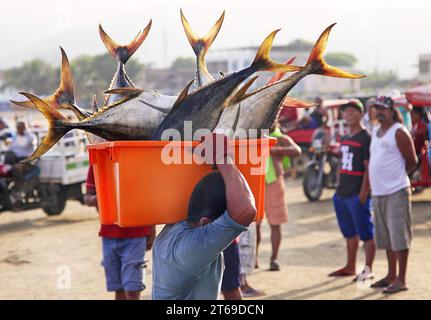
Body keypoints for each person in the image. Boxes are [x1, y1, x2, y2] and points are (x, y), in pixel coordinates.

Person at [152, 133, 256, 300]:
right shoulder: (191, 249)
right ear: (205, 222)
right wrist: (222, 158)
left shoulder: (177, 227)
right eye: (223, 220)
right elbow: (246, 211)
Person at [369, 95, 418, 294]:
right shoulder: (375, 131)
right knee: (386, 238)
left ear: (392, 111)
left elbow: (412, 161)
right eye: (377, 108)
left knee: (399, 237)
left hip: (396, 191)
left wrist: (399, 179)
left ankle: (401, 279)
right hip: (378, 192)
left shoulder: (399, 132)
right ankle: (391, 275)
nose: (380, 112)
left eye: (384, 109)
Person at [84, 164, 155, 300]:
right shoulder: (98, 163)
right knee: (119, 289)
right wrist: (103, 196)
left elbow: (150, 198)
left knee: (132, 289)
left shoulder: (138, 162)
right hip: (109, 236)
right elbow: (87, 198)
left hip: (136, 234)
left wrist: (151, 231)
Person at [329, 99, 376, 280]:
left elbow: (368, 167)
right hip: (342, 193)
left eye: (352, 112)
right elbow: (342, 162)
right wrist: (338, 186)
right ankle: (350, 266)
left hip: (357, 194)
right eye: (346, 112)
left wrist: (364, 192)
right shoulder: (346, 137)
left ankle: (368, 269)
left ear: (360, 114)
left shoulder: (366, 137)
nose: (348, 115)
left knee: (366, 233)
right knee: (349, 233)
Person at [256, 122, 301, 271]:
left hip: (274, 181)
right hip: (256, 182)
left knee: (275, 223)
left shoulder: (279, 137)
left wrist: (277, 149)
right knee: (254, 225)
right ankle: (253, 258)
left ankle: (273, 259)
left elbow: (297, 150)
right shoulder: (254, 133)